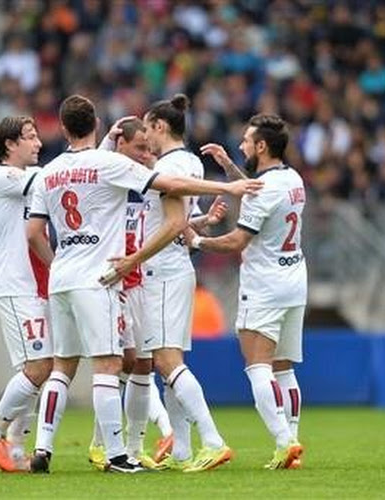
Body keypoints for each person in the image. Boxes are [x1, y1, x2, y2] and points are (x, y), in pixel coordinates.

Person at [26, 94, 260, 474]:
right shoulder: (110, 164)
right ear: (98, 125)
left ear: (64, 128)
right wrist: (228, 188)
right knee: (109, 364)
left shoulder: (48, 173)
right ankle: (118, 455)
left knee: (62, 367)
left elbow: (34, 232)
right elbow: (168, 183)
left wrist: (57, 266)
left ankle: (43, 448)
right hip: (98, 276)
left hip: (62, 277)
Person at [99, 94, 234, 473]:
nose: (145, 137)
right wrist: (203, 223)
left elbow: (172, 223)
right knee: (169, 362)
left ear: (160, 126)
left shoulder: (171, 164)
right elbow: (176, 224)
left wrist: (133, 259)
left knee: (165, 361)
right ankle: (181, 451)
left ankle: (213, 441)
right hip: (176, 268)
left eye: (147, 129)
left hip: (160, 271)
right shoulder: (188, 160)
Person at [191, 114, 306, 469]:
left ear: (261, 146)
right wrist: (227, 166)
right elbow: (257, 193)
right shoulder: (293, 179)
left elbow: (236, 240)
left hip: (264, 285)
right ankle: (293, 439)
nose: (240, 146)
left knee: (258, 366)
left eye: (245, 141)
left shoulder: (267, 189)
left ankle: (284, 442)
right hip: (294, 279)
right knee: (284, 367)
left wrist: (196, 240)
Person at [88, 117, 174, 469]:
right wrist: (107, 141)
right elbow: (88, 166)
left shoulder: (142, 180)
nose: (144, 154)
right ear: (119, 145)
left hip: (139, 280)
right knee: (117, 364)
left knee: (141, 364)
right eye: (139, 148)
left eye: (148, 148)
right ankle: (104, 446)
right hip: (113, 280)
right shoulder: (106, 172)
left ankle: (134, 449)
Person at [0, 116, 54, 473]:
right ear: (9, 145)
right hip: (14, 285)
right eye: (30, 137)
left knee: (36, 370)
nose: (37, 143)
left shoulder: (27, 182)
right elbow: (56, 179)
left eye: (37, 136)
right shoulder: (0, 178)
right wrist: (93, 156)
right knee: (39, 368)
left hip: (34, 286)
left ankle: (17, 449)